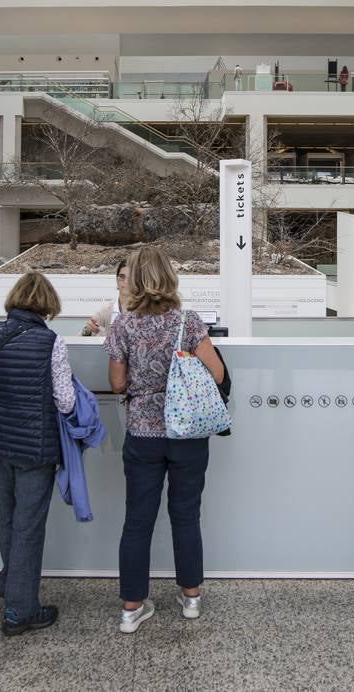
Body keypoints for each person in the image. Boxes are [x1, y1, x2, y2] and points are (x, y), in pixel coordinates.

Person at [106, 245, 225, 634]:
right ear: (169, 278)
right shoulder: (188, 322)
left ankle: (131, 609)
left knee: (137, 521)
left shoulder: (122, 325)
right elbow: (219, 374)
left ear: (135, 279)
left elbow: (118, 383)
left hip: (142, 434)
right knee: (186, 514)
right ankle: (190, 597)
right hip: (187, 432)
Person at [0, 271, 75, 637]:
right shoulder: (51, 342)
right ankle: (20, 611)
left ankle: (10, 583)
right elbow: (65, 401)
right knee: (29, 525)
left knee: (7, 513)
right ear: (48, 304)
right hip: (34, 447)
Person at [82, 261, 128, 337]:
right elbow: (82, 337)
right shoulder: (107, 310)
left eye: (131, 278)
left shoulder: (145, 310)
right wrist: (88, 330)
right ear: (117, 280)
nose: (125, 282)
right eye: (122, 277)